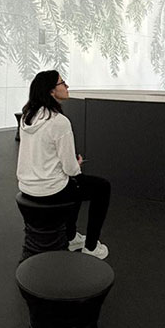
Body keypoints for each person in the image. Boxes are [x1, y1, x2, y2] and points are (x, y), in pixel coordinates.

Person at [17, 71, 111, 260]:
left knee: (76, 183)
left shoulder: (27, 116)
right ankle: (91, 247)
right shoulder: (59, 122)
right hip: (50, 190)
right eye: (62, 83)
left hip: (26, 186)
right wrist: (77, 164)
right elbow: (70, 168)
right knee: (102, 187)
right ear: (51, 91)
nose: (67, 86)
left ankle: (71, 236)